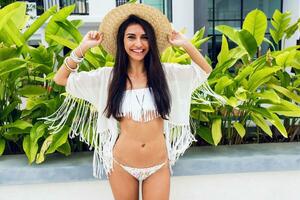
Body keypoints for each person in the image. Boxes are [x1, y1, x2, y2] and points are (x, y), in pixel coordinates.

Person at [45, 3, 212, 200]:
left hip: (158, 165)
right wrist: (82, 48)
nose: (138, 44)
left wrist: (185, 43)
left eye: (144, 37)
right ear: (121, 41)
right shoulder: (107, 78)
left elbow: (204, 71)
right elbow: (61, 79)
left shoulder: (166, 75)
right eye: (131, 37)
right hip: (121, 164)